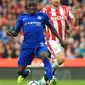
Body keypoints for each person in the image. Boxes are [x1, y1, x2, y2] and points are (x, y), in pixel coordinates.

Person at [6, 0, 67, 85]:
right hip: (27, 46)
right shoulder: (22, 18)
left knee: (44, 55)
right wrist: (11, 33)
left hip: (39, 44)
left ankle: (50, 79)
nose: (31, 8)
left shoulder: (42, 16)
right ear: (27, 6)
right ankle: (24, 73)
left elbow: (52, 28)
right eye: (29, 6)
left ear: (37, 6)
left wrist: (60, 39)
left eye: (33, 6)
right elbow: (16, 32)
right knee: (20, 70)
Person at [38, 0, 80, 85]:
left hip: (62, 42)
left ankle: (41, 82)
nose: (56, 0)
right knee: (61, 59)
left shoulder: (66, 9)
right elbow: (38, 22)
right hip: (51, 40)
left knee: (53, 67)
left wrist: (76, 18)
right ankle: (47, 75)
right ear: (50, 1)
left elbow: (74, 24)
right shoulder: (45, 11)